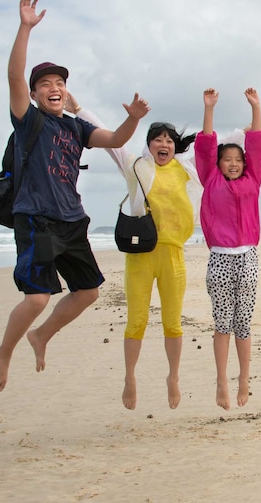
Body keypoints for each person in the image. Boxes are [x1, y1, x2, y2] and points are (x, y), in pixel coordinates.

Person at [0, 0, 150, 392]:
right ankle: (4, 353)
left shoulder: (76, 128)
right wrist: (25, 28)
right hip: (38, 221)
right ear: (36, 95)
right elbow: (13, 77)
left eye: (60, 82)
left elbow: (114, 138)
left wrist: (131, 120)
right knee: (38, 298)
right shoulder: (30, 122)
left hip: (72, 221)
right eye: (45, 84)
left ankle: (41, 337)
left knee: (89, 292)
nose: (54, 88)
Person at [70, 99, 200, 410]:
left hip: (173, 256)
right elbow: (107, 139)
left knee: (173, 323)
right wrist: (77, 109)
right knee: (136, 322)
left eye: (169, 139)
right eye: (157, 139)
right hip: (140, 255)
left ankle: (173, 377)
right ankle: (130, 378)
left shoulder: (187, 170)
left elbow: (212, 147)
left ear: (175, 146)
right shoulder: (135, 165)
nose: (163, 144)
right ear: (148, 145)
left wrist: (245, 127)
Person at [195, 87, 261, 409]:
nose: (234, 163)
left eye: (238, 159)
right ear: (220, 164)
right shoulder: (210, 178)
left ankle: (245, 379)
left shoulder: (253, 178)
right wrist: (209, 109)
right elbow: (206, 148)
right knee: (222, 323)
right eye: (228, 159)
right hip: (220, 261)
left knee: (243, 323)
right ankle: (222, 382)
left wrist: (256, 107)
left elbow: (258, 145)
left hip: (248, 258)